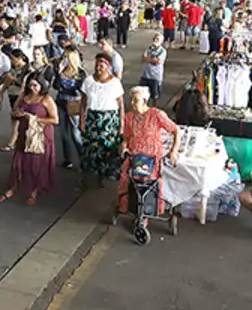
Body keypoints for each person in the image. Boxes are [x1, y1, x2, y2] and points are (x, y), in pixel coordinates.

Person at [116, 86, 180, 214]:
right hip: (133, 157)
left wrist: (174, 150)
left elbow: (175, 130)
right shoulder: (128, 117)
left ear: (145, 100)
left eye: (136, 100)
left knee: (149, 185)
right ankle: (130, 207)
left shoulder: (157, 115)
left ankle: (146, 212)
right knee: (128, 182)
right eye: (132, 100)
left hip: (152, 159)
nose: (133, 104)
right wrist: (123, 146)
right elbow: (127, 138)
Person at [0, 72, 58, 206]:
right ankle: (13, 187)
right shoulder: (24, 96)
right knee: (19, 160)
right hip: (24, 132)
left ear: (41, 85)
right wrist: (18, 114)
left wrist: (34, 118)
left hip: (40, 134)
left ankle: (33, 191)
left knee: (36, 163)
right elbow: (14, 111)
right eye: (30, 85)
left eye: (35, 86)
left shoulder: (46, 99)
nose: (33, 88)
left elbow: (55, 120)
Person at [80, 53, 125, 188]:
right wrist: (82, 120)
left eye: (101, 65)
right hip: (92, 119)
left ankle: (103, 176)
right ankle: (87, 176)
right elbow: (83, 103)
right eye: (96, 65)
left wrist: (122, 125)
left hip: (109, 121)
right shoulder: (88, 81)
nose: (98, 68)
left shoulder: (115, 83)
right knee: (90, 150)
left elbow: (121, 105)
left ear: (108, 67)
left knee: (107, 150)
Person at [53, 45, 85, 170]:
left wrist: (65, 88)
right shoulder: (61, 71)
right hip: (61, 103)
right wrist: (58, 73)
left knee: (75, 133)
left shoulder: (80, 73)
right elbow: (56, 86)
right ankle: (68, 159)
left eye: (66, 56)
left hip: (74, 105)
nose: (64, 59)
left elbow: (78, 90)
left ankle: (83, 159)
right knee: (64, 133)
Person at [138, 33, 166, 104]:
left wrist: (147, 59)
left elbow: (157, 62)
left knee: (155, 96)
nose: (155, 40)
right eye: (154, 38)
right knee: (141, 94)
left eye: (158, 39)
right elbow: (142, 58)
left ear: (161, 41)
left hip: (155, 77)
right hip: (145, 75)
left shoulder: (163, 51)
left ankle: (154, 111)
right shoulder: (149, 48)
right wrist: (151, 59)